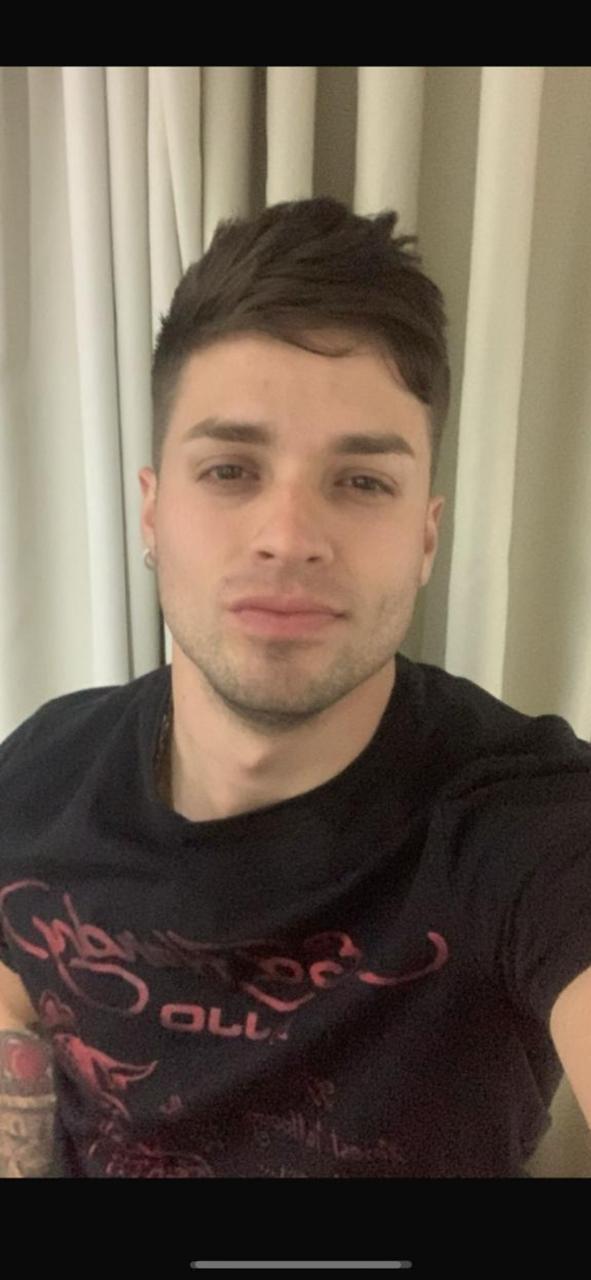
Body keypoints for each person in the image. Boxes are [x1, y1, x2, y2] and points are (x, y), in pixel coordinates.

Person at [1, 197, 590, 1180]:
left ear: (425, 536)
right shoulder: (37, 777)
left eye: (361, 482)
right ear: (152, 512)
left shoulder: (523, 821)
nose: (287, 535)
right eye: (230, 468)